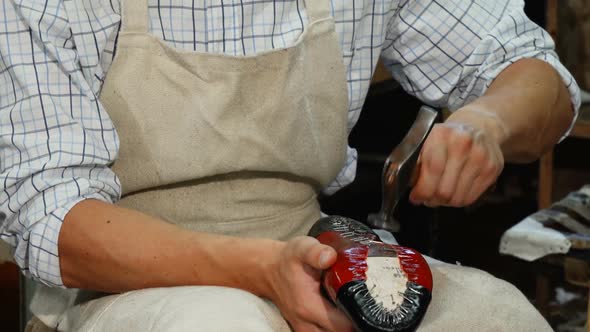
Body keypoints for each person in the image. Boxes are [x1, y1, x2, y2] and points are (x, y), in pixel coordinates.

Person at [0, 0, 580, 331]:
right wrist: (261, 268)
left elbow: (532, 69)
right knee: (219, 326)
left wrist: (489, 123)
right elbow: (56, 220)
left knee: (498, 317)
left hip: (308, 244)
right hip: (118, 275)